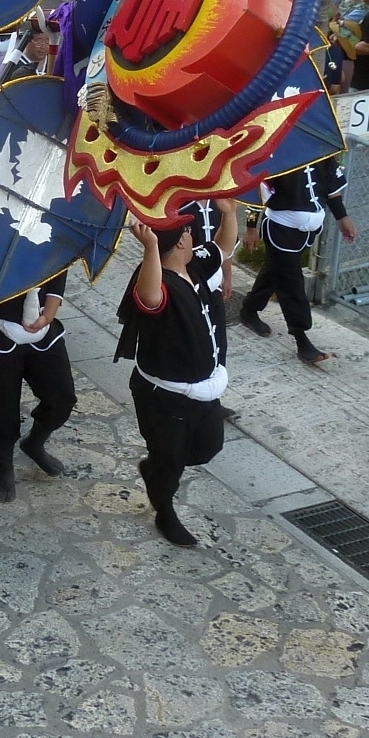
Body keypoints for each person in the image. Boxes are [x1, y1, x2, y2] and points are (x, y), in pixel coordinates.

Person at [117, 198, 240, 547]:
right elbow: (150, 296)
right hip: (165, 395)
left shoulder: (197, 264)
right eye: (187, 229)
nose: (193, 231)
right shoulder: (159, 282)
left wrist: (229, 213)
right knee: (170, 460)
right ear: (182, 241)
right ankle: (164, 510)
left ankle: (154, 468)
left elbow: (223, 247)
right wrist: (151, 248)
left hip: (204, 389)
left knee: (207, 448)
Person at [0, 267, 75, 503]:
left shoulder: (54, 230)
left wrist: (48, 314)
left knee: (62, 397)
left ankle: (34, 443)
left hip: (43, 326)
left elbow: (59, 265)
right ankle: (5, 465)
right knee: (0, 402)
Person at [238, 156, 356, 365]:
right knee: (291, 283)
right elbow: (256, 191)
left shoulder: (322, 151)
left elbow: (332, 187)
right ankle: (302, 340)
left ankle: (249, 310)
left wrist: (342, 217)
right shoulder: (277, 153)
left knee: (276, 270)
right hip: (281, 229)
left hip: (307, 231)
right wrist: (250, 227)